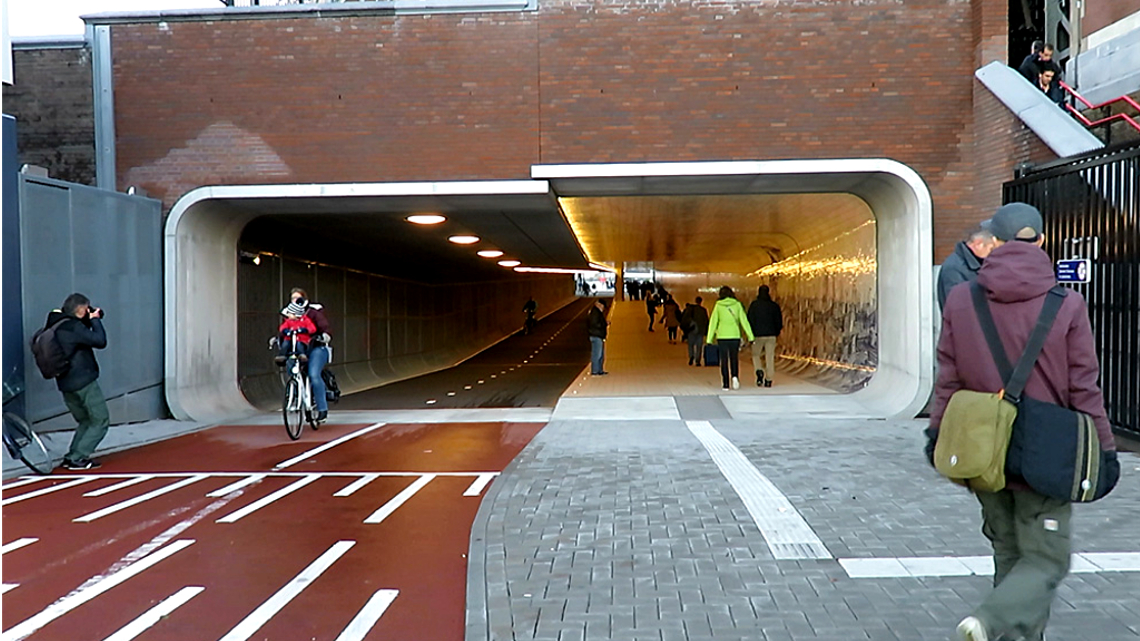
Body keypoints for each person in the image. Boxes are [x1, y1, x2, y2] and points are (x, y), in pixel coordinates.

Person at [926, 202, 1117, 641]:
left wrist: (938, 435)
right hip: (1047, 450)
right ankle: (988, 621)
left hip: (983, 445)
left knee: (1009, 553)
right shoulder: (1066, 303)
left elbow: (948, 378)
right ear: (1043, 241)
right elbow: (1084, 387)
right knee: (1048, 560)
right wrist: (1104, 450)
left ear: (993, 242)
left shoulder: (962, 298)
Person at [45, 293, 109, 470]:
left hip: (64, 382)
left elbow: (77, 337)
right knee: (100, 419)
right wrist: (95, 320)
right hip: (83, 381)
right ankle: (77, 457)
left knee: (86, 420)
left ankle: (73, 455)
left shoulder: (55, 324)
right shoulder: (74, 328)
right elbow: (100, 341)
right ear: (81, 309)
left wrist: (88, 319)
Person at [289, 288, 332, 421]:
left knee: (314, 374)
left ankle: (322, 409)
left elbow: (325, 327)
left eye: (298, 298)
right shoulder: (290, 314)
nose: (295, 301)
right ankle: (295, 394)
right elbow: (285, 329)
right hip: (300, 349)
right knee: (290, 364)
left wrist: (324, 336)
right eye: (293, 299)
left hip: (317, 348)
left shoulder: (313, 313)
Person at [938, 222, 997, 309]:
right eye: (991, 249)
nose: (993, 253)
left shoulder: (972, 264)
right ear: (978, 243)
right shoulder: (954, 269)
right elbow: (958, 308)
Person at [706, 286, 754, 390]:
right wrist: (750, 336)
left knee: (723, 360)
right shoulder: (737, 305)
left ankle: (725, 384)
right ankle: (735, 377)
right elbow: (744, 321)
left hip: (722, 337)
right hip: (735, 336)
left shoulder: (718, 306)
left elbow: (713, 322)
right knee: (734, 358)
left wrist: (709, 339)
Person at [746, 285, 783, 387]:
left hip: (757, 335)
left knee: (756, 355)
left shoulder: (754, 305)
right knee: (769, 356)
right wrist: (777, 332)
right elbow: (779, 321)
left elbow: (749, 320)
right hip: (771, 335)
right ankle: (769, 379)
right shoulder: (774, 306)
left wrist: (750, 334)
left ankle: (759, 371)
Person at [275, 299, 317, 364]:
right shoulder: (288, 321)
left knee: (300, 345)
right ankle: (282, 355)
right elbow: (282, 327)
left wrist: (305, 330)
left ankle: (302, 355)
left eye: (290, 313)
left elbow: (312, 328)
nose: (288, 315)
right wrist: (285, 331)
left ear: (296, 314)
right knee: (285, 344)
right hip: (290, 339)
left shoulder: (305, 320)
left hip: (302, 339)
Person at [680, 296, 710, 366]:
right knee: (699, 346)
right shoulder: (703, 310)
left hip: (691, 330)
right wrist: (706, 331)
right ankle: (697, 360)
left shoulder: (691, 309)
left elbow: (685, 319)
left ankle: (691, 356)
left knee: (691, 345)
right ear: (701, 301)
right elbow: (706, 321)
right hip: (700, 330)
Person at [587, 299, 609, 375]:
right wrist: (604, 324)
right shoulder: (595, 313)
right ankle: (595, 371)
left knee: (600, 354)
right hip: (596, 335)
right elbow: (594, 324)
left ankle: (599, 370)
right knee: (597, 354)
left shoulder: (597, 312)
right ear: (599, 305)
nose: (603, 308)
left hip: (598, 335)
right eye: (603, 307)